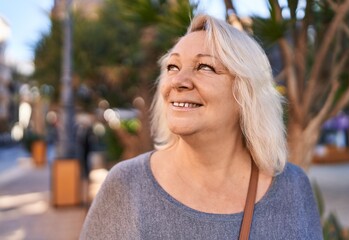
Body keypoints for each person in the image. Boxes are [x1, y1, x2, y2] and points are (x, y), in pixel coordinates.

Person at [80, 14, 322, 239]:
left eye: (205, 67)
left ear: (246, 93)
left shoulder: (293, 186)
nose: (178, 81)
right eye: (172, 67)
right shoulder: (125, 185)